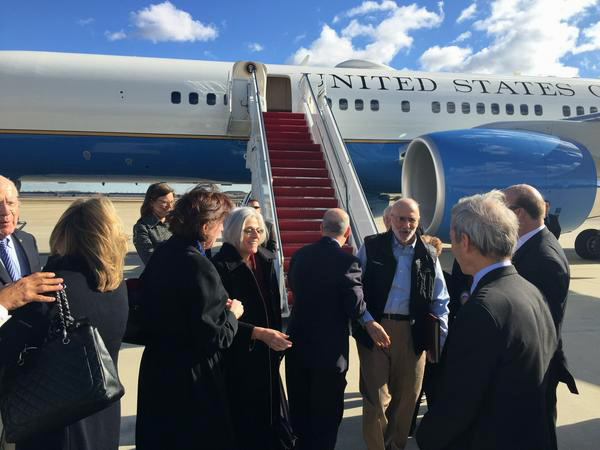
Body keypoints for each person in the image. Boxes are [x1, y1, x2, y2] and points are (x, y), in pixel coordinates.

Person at [416, 190, 557, 450]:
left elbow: (459, 402)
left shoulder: (482, 309)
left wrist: (427, 436)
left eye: (453, 240)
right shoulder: (530, 291)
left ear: (466, 242)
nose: (453, 246)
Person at [10, 197, 129, 450]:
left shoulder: (50, 289)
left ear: (64, 233)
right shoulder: (115, 285)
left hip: (57, 426)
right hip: (103, 419)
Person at [135, 189, 244, 450]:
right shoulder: (198, 264)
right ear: (205, 226)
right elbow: (216, 336)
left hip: (157, 372)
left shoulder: (163, 253)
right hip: (190, 380)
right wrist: (233, 314)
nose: (220, 233)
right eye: (219, 225)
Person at [355, 198, 449, 450]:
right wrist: (367, 322)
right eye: (401, 218)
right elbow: (355, 289)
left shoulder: (428, 254)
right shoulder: (371, 246)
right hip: (376, 328)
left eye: (412, 220)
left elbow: (441, 300)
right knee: (376, 399)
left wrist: (436, 341)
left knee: (407, 397)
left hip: (413, 332)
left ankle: (395, 446)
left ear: (418, 223)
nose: (406, 224)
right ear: (390, 219)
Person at [285, 208, 369, 450]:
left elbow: (294, 286)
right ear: (348, 232)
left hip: (298, 344)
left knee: (300, 410)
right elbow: (355, 307)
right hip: (330, 351)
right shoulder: (348, 262)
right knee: (326, 417)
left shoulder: (301, 255)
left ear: (321, 229)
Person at [212, 207, 293, 450]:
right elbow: (219, 317)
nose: (256, 235)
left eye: (259, 230)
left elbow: (273, 307)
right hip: (239, 354)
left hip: (268, 353)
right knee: (246, 421)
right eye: (249, 230)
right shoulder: (219, 266)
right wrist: (256, 333)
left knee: (273, 418)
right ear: (234, 231)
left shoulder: (265, 260)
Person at [504, 184, 577, 450]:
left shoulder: (545, 257)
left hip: (534, 368)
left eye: (503, 208)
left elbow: (539, 324)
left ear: (519, 213)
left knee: (538, 436)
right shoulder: (528, 246)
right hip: (526, 366)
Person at [133, 182, 174, 264]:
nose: (170, 207)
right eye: (164, 202)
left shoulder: (176, 222)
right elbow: (150, 259)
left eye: (172, 202)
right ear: (151, 202)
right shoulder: (142, 228)